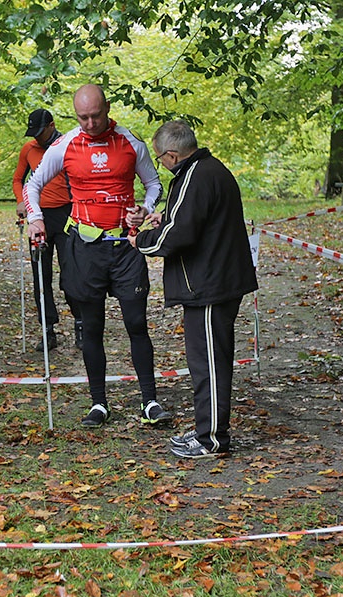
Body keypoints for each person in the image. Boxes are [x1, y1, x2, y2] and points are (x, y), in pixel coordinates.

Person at [24, 84, 172, 429]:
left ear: (107, 108)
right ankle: (98, 403)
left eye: (96, 115)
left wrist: (145, 209)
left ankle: (149, 401)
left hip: (125, 247)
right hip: (84, 248)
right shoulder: (66, 144)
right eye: (83, 117)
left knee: (137, 324)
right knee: (91, 327)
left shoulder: (130, 142)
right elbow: (33, 185)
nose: (90, 123)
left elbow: (155, 184)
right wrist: (36, 219)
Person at [129, 120, 258, 458]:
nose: (160, 164)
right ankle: (206, 428)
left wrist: (139, 241)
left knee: (209, 364)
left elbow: (180, 235)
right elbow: (190, 219)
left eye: (159, 159)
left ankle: (212, 439)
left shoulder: (196, 176)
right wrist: (167, 217)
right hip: (213, 281)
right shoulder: (205, 171)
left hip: (210, 286)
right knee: (206, 360)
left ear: (172, 155)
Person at [12, 108, 82, 351]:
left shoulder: (67, 146)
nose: (37, 137)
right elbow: (18, 179)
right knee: (41, 276)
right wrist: (21, 200)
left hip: (65, 215)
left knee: (71, 274)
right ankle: (48, 330)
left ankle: (80, 322)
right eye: (34, 133)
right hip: (37, 217)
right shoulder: (29, 149)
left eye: (41, 132)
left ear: (52, 126)